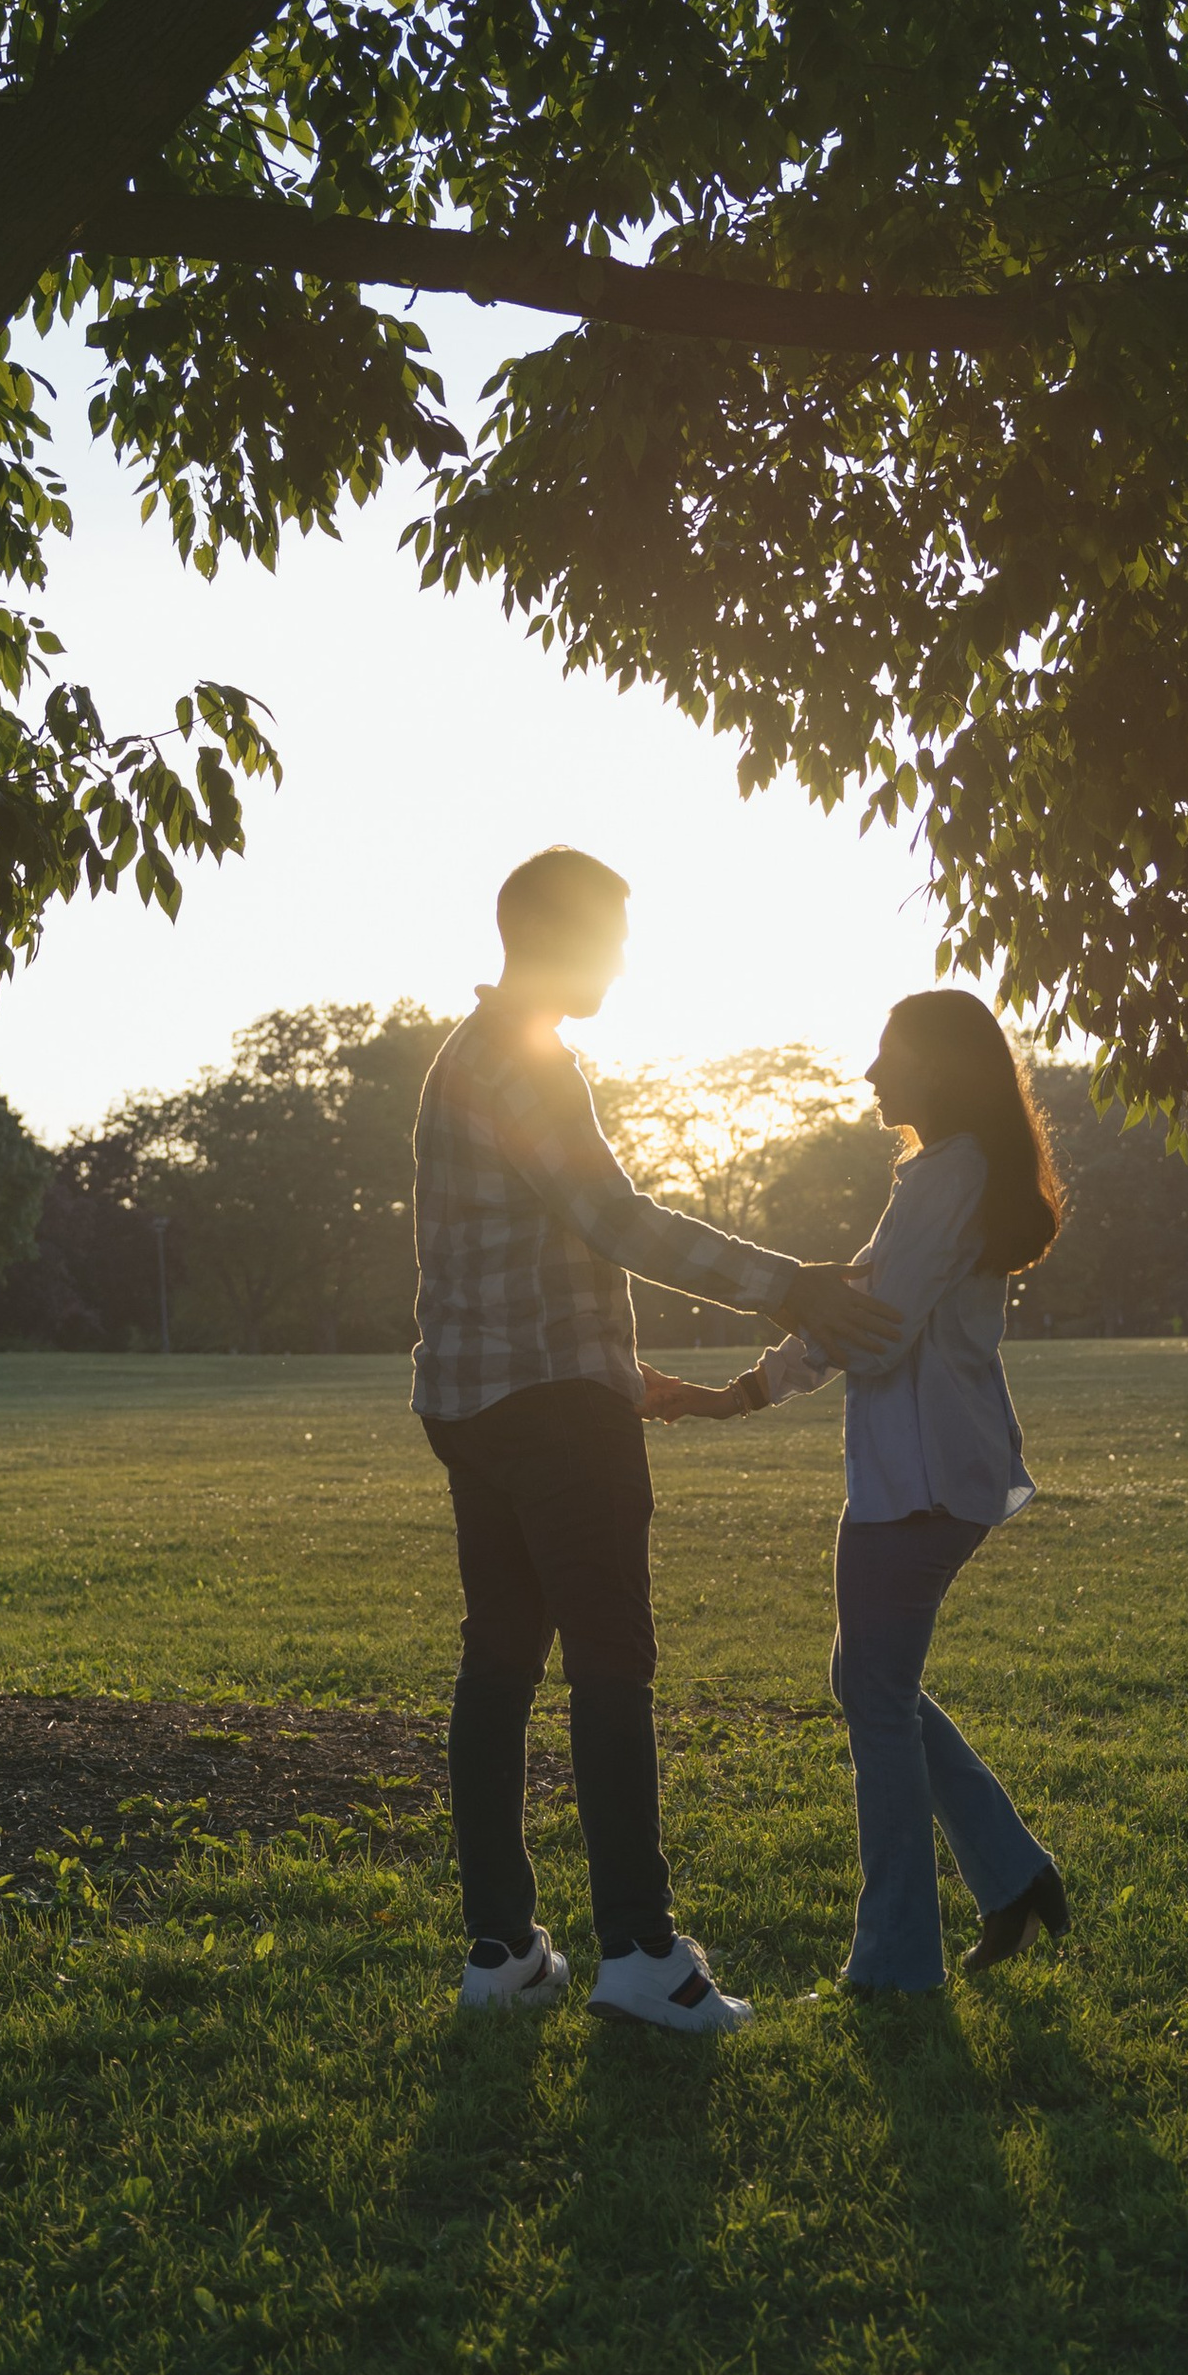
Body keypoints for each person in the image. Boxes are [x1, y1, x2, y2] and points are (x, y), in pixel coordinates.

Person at [411, 847, 900, 2034]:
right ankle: (635, 1950)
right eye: (614, 937)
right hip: (545, 1416)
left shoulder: (463, 1059)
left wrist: (633, 1382)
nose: (625, 961)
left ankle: (502, 1954)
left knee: (501, 1664)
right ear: (561, 935)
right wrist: (793, 1287)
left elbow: (512, 1275)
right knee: (611, 1665)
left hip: (474, 1405)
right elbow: (614, 1221)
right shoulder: (527, 1058)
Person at [649, 988, 1068, 1993]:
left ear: (937, 1067)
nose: (872, 1073)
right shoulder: (946, 1173)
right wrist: (775, 1358)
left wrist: (742, 1392)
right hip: (933, 1474)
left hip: (919, 1481)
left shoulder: (948, 1177)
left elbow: (874, 1321)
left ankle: (892, 1965)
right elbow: (866, 1306)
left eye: (889, 1054)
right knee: (866, 1683)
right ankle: (1012, 1877)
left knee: (873, 1701)